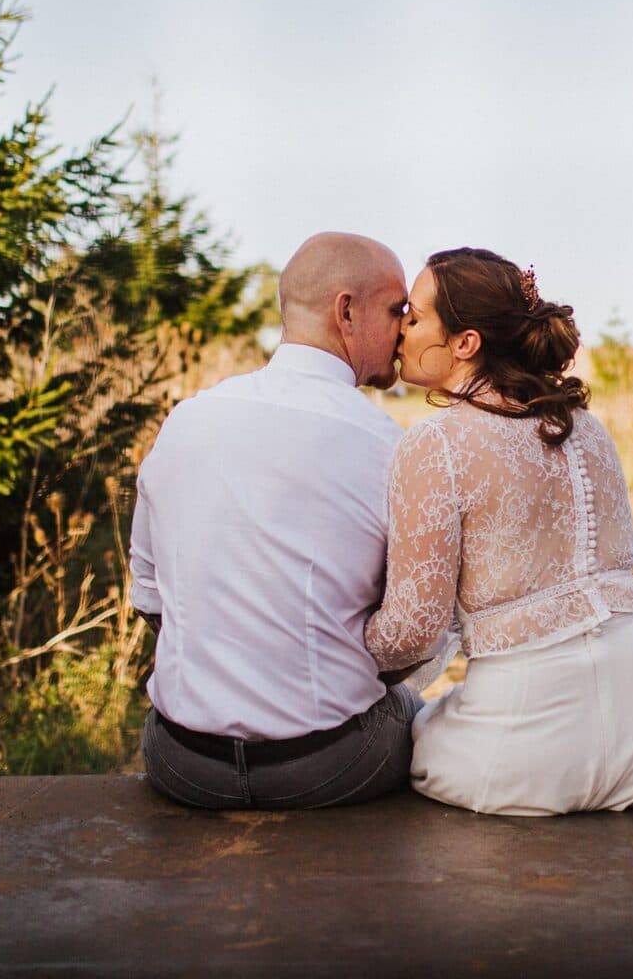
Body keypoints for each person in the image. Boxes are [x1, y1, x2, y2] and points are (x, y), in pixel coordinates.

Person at [365, 248, 633, 816]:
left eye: (414, 317)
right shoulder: (586, 428)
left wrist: (325, 656)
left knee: (419, 739)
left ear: (465, 343)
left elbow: (412, 629)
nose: (400, 330)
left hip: (520, 754)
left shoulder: (436, 444)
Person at [130, 231, 422, 809]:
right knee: (423, 713)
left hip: (183, 763)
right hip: (325, 767)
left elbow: (149, 601)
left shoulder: (186, 420)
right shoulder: (388, 446)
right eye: (396, 310)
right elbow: (418, 635)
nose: (405, 330)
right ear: (347, 311)